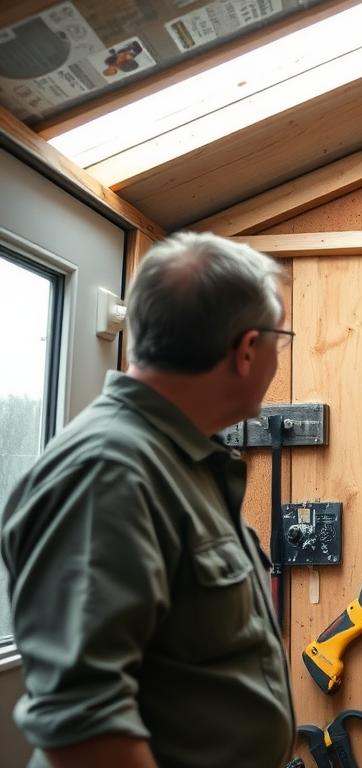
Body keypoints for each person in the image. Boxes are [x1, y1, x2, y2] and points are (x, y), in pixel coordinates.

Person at [1, 232, 296, 767]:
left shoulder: (177, 458)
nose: (280, 353)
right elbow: (85, 728)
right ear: (248, 349)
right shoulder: (108, 474)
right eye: (282, 338)